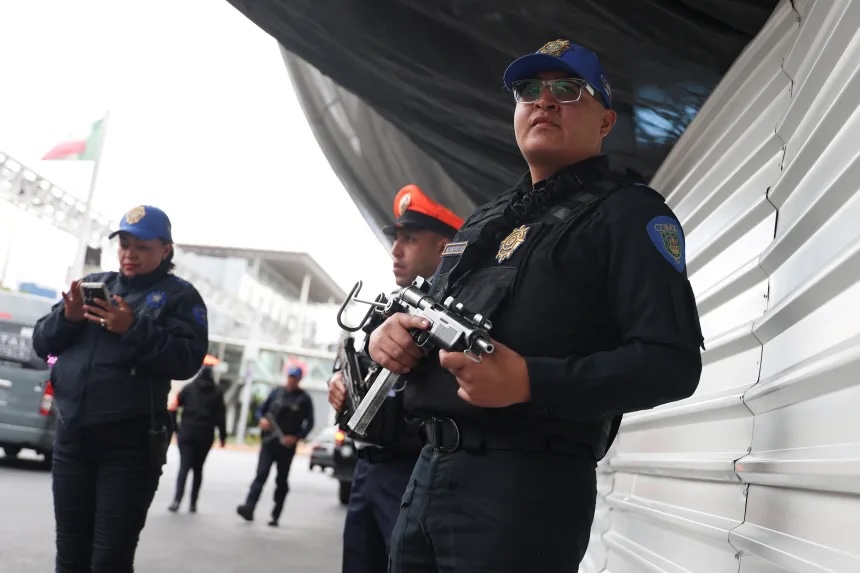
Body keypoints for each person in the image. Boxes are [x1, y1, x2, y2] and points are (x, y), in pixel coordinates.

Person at [368, 40, 705, 572]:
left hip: (525, 490)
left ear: (605, 121)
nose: (544, 102)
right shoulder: (484, 219)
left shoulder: (629, 217)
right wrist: (391, 332)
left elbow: (673, 363)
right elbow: (429, 316)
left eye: (568, 90)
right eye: (530, 91)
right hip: (428, 472)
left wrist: (531, 381)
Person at [32, 204, 209, 573]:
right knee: (70, 557)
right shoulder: (97, 284)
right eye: (125, 243)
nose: (130, 253)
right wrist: (68, 319)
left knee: (109, 560)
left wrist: (133, 327)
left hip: (129, 446)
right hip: (73, 439)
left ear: (166, 250)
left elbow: (186, 359)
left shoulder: (181, 297)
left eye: (142, 246)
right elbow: (41, 342)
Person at [328, 184, 463, 573]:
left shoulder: (457, 320)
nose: (396, 249)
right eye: (396, 238)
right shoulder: (390, 310)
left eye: (410, 239)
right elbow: (354, 367)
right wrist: (340, 384)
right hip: (367, 466)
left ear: (443, 247)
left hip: (415, 467)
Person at [236, 365, 314, 527]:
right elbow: (261, 411)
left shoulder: (304, 399)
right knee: (261, 474)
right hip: (269, 442)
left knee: (281, 480)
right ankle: (249, 507)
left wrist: (296, 437)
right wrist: (262, 420)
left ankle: (275, 515)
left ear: (299, 379)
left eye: (295, 378)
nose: (291, 380)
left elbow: (310, 423)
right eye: (290, 377)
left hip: (286, 446)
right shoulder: (276, 393)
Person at [168, 364, 227, 513]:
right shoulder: (217, 392)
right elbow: (221, 417)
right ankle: (193, 503)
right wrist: (222, 437)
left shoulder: (189, 388)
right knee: (198, 469)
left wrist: (175, 428)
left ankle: (176, 500)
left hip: (187, 431)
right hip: (206, 434)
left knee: (184, 467)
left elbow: (173, 407)